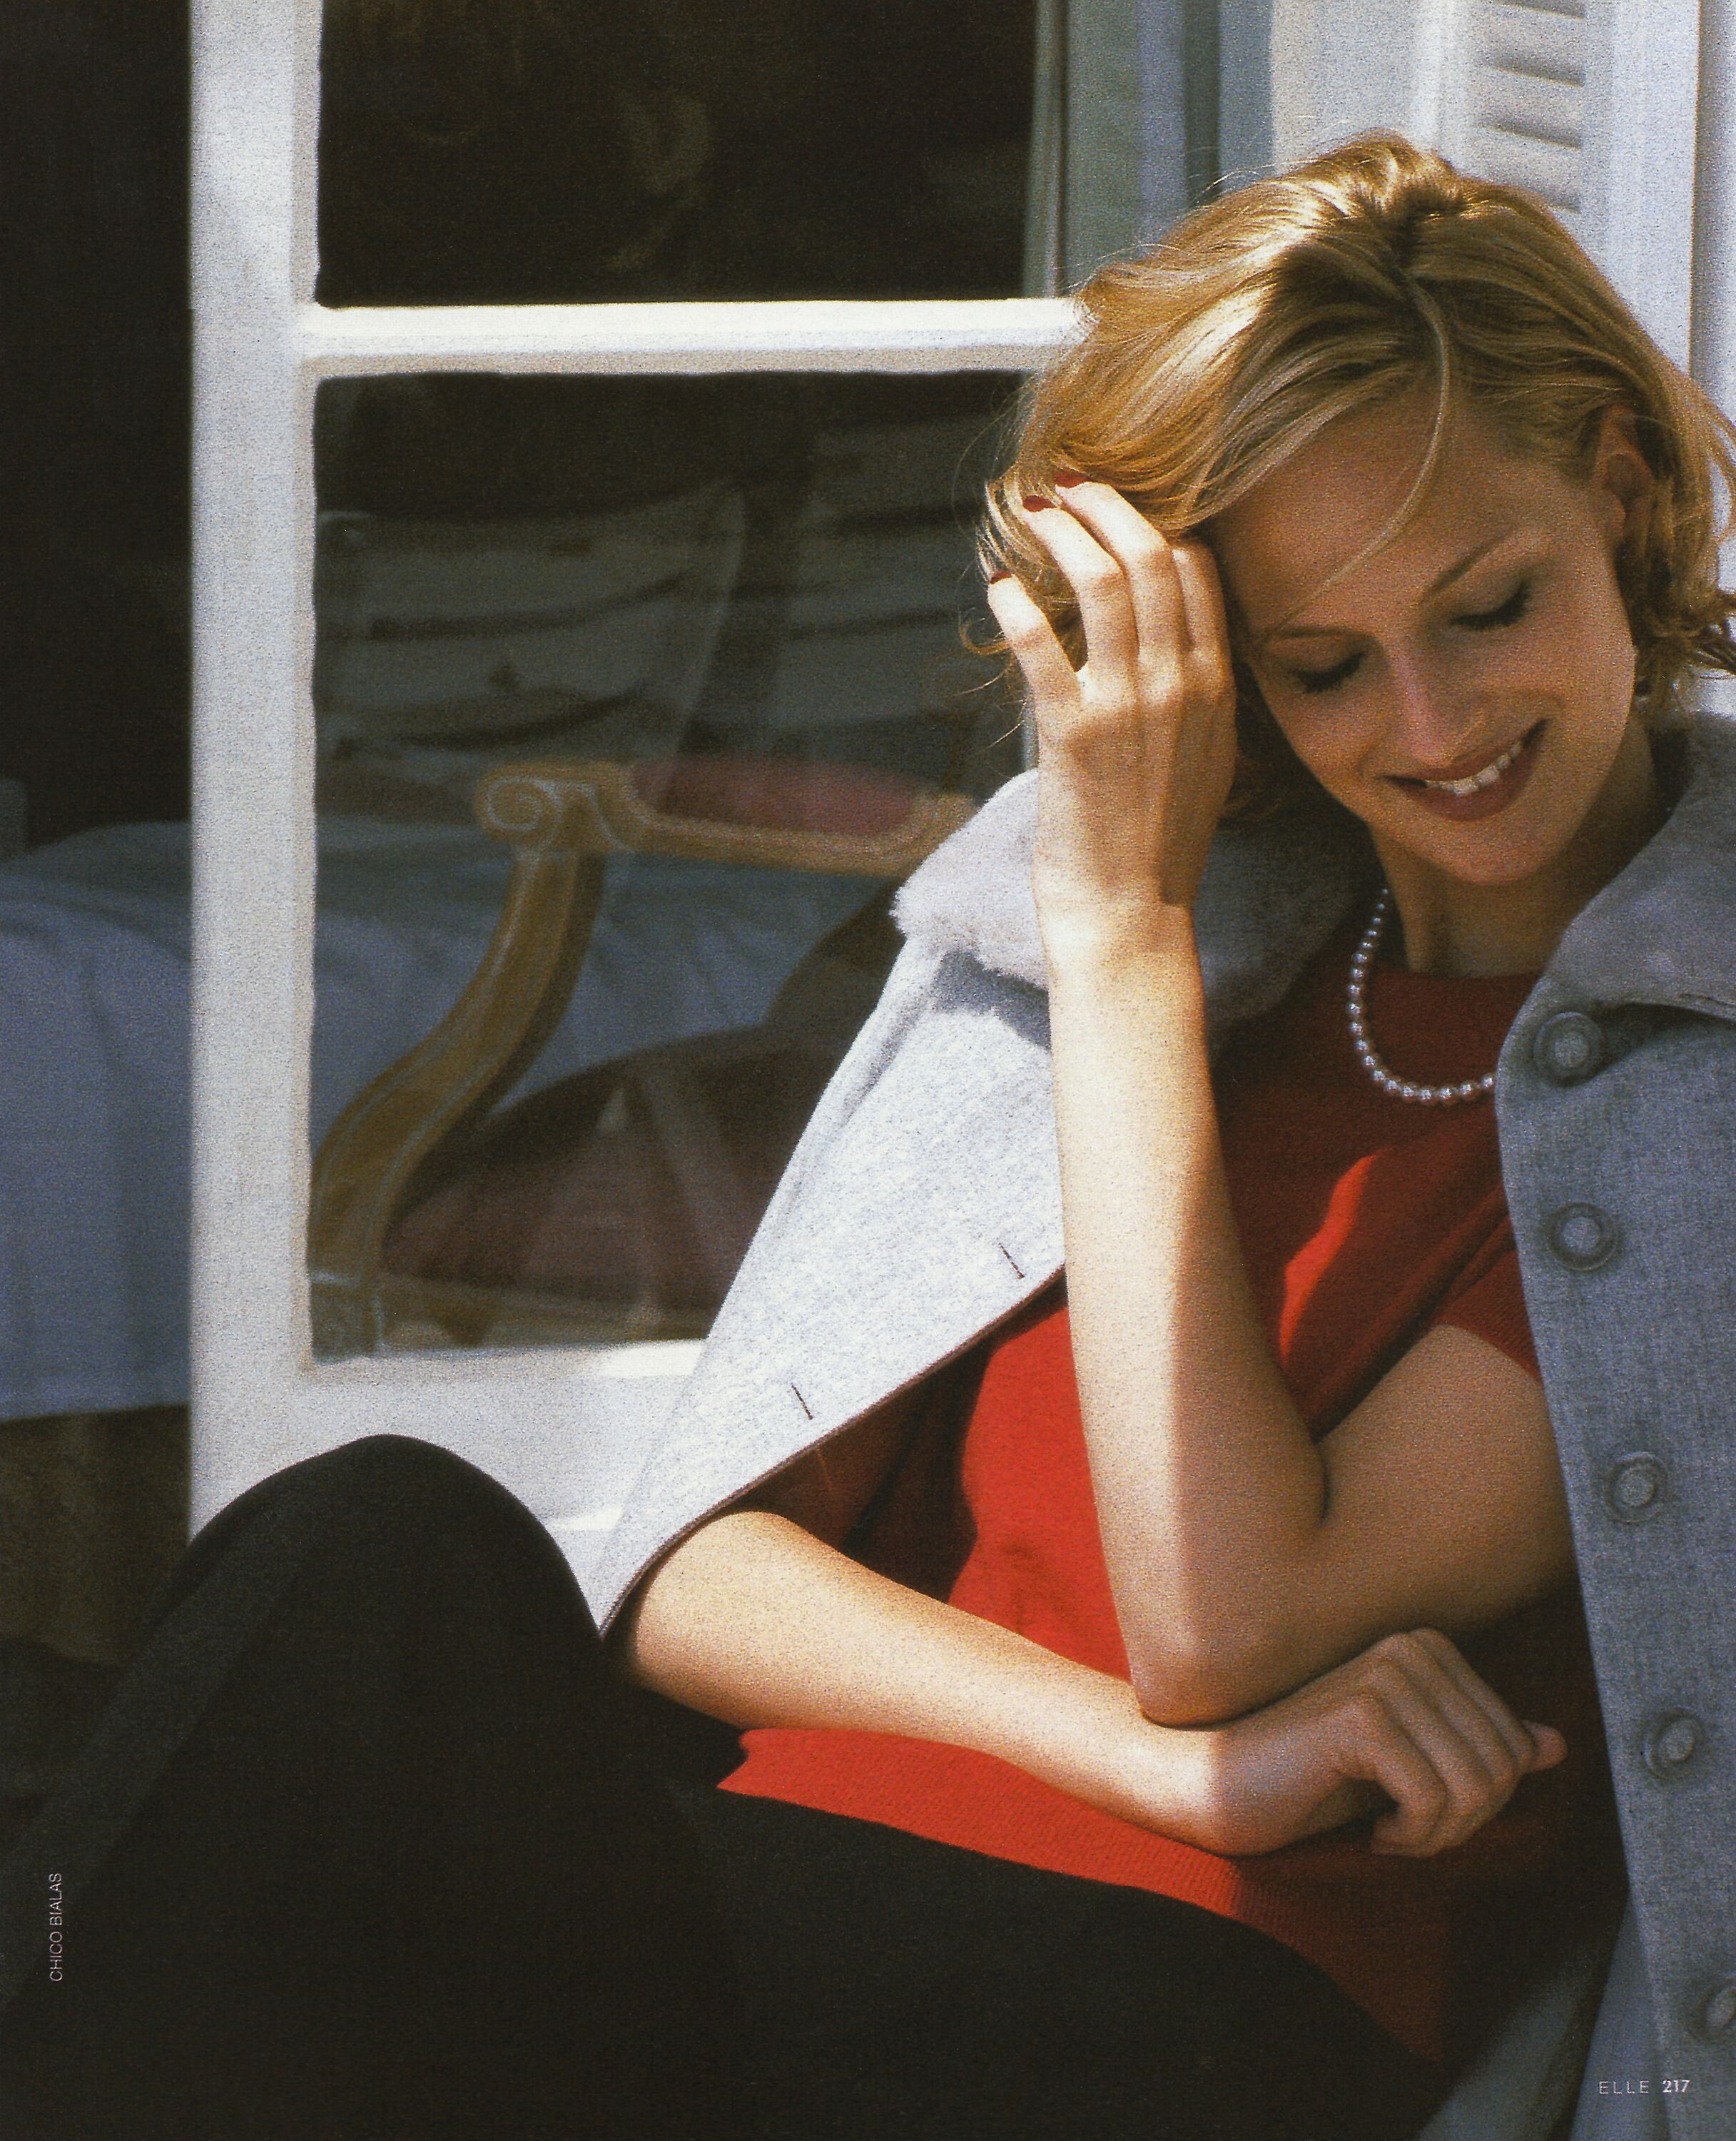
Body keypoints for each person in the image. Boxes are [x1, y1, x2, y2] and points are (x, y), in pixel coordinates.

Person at [5, 131, 1735, 2139]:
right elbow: (698, 1577)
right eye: (1324, 666)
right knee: (358, 1544)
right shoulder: (1171, 937)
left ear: (1619, 490)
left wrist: (1123, 939)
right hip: (768, 1902)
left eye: (1488, 606)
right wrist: (1162, 1767)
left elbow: (1228, 1620)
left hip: (1178, 2006)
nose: (1430, 727)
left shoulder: (1677, 1074)